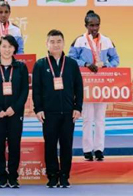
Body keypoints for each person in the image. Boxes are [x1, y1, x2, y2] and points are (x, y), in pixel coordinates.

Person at [32, 29, 83, 189]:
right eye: (52, 42)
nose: (56, 45)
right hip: (49, 113)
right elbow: (36, 89)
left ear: (64, 43)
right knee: (50, 145)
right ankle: (52, 176)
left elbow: (79, 87)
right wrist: (38, 109)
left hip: (68, 113)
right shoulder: (40, 64)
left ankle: (65, 176)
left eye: (59, 41)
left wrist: (78, 107)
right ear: (47, 44)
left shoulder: (72, 64)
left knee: (67, 145)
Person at [69, 10, 120, 162]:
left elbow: (116, 59)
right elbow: (71, 59)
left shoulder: (107, 41)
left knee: (100, 119)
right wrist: (85, 64)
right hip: (85, 84)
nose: (94, 28)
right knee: (87, 119)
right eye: (91, 25)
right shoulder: (79, 41)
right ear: (86, 25)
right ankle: (87, 150)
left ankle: (99, 149)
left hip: (102, 85)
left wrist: (106, 65)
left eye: (97, 25)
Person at [0, 35, 29, 189]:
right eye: (4, 46)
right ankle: (1, 176)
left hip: (15, 113)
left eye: (10, 46)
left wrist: (14, 108)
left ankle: (13, 176)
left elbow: (24, 91)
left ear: (15, 48)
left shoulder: (21, 67)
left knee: (15, 144)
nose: (7, 50)